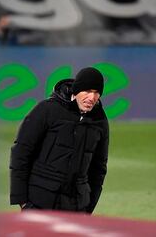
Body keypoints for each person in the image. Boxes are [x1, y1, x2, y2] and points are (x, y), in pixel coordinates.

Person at [9, 67, 109, 213]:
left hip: (77, 207)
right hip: (39, 202)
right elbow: (21, 152)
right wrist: (22, 200)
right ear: (76, 90)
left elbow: (98, 169)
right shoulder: (46, 110)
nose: (92, 97)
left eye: (96, 92)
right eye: (87, 91)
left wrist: (88, 209)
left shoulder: (100, 121)